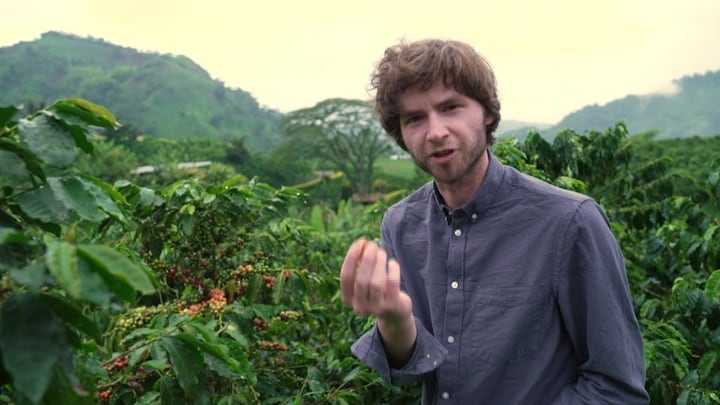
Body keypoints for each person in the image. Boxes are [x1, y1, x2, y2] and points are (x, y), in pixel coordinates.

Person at [339, 39, 649, 404]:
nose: (435, 132)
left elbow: (616, 388)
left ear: (486, 112)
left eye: (450, 107)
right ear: (402, 135)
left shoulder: (569, 221)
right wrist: (394, 320)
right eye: (415, 118)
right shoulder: (401, 224)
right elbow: (413, 368)